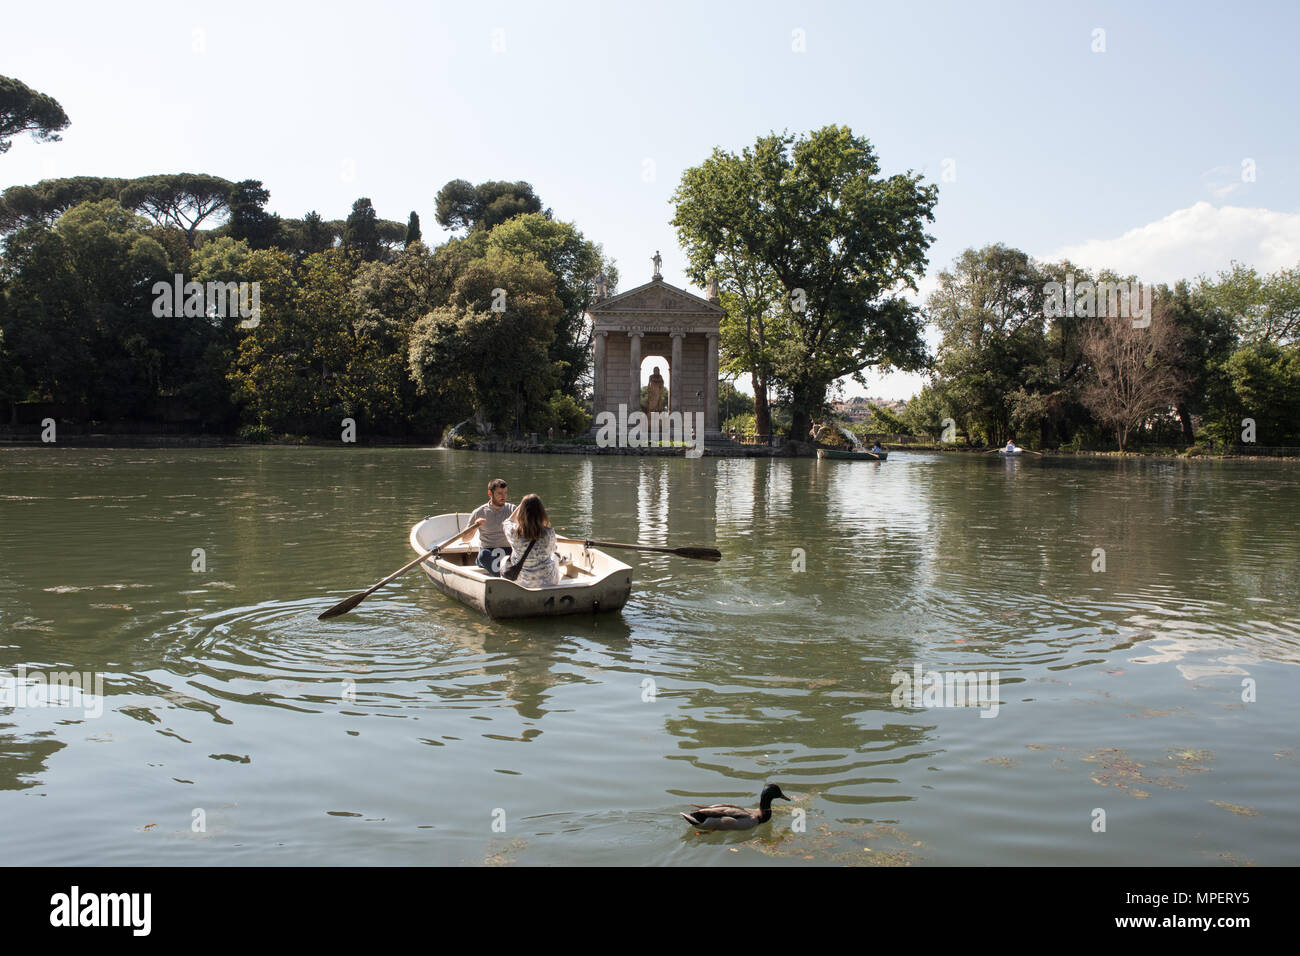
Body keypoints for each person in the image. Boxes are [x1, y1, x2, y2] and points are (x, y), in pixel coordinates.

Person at [501, 494, 561, 587]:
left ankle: (507, 587)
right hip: (548, 582)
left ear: (521, 512)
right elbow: (552, 550)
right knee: (555, 556)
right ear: (541, 512)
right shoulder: (549, 533)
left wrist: (521, 505)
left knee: (504, 560)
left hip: (521, 583)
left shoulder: (513, 532)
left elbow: (507, 522)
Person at [468, 478, 514, 575]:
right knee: (483, 555)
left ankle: (505, 576)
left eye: (505, 493)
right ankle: (503, 578)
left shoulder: (512, 510)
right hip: (488, 553)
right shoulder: (479, 512)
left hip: (508, 552)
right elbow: (465, 538)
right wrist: (475, 526)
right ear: (490, 493)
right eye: (499, 493)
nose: (503, 496)